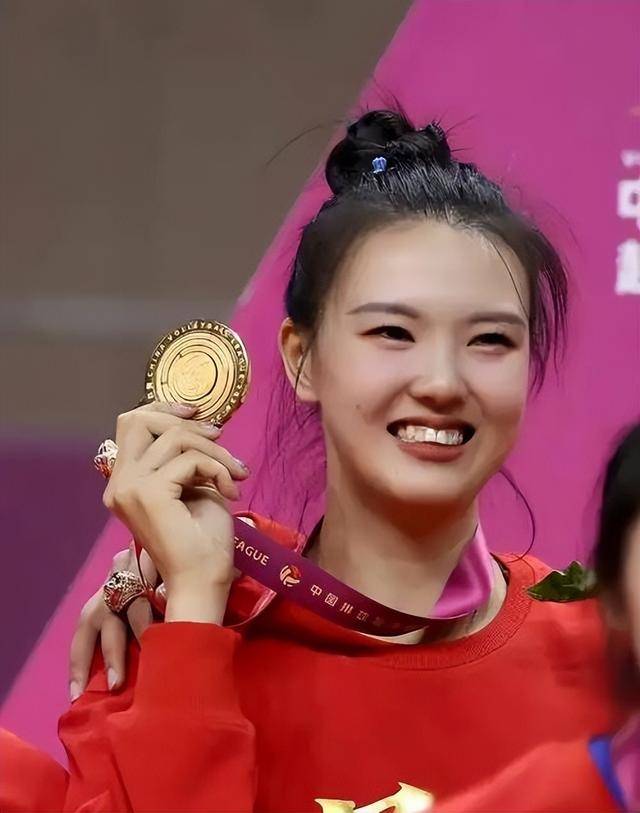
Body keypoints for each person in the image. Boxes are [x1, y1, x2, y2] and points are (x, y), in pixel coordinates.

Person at [0, 110, 625, 812]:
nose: (443, 382)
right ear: (302, 360)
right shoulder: (162, 633)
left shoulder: (608, 661)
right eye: (393, 332)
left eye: (491, 341)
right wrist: (196, 612)